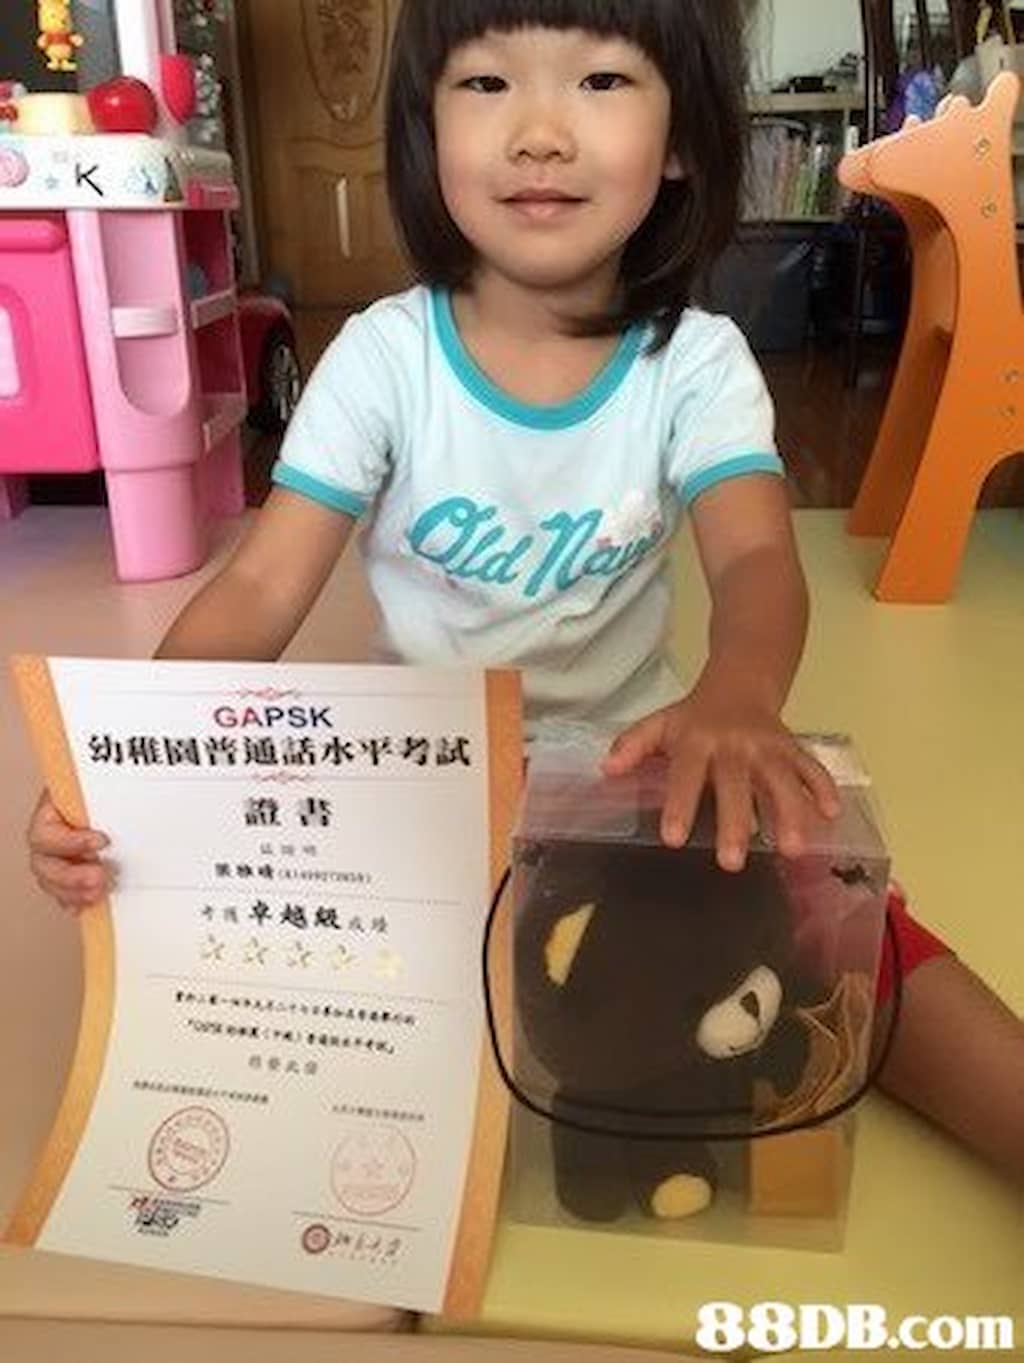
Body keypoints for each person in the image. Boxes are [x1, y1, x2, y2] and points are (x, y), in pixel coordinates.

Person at [25, 0, 1023, 1184]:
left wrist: (737, 695)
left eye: (600, 82)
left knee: (829, 905)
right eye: (487, 84)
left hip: (635, 780)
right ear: (425, 126)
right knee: (284, 932)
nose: (539, 132)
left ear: (680, 141)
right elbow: (257, 585)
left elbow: (757, 560)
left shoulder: (692, 363)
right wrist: (122, 760)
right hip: (427, 787)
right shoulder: (385, 359)